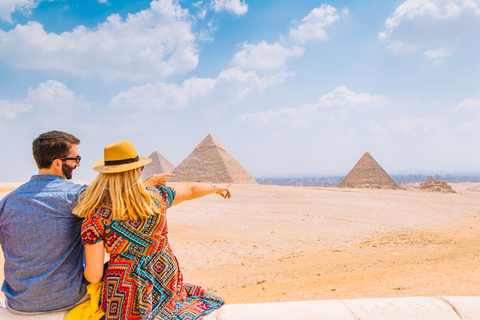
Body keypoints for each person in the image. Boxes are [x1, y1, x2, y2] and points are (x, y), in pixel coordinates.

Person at [73, 140, 230, 320]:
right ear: (136, 171)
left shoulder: (96, 216)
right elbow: (192, 190)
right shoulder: (157, 198)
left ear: (105, 174)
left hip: (127, 289)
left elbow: (94, 276)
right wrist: (217, 188)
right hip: (165, 278)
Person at [0, 130, 88, 314]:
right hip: (66, 301)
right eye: (75, 159)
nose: (76, 164)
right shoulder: (75, 196)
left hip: (18, 303)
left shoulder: (7, 202)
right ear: (57, 163)